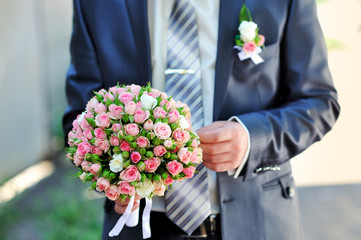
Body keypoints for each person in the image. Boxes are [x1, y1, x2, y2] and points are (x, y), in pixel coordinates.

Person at [63, 0, 340, 239]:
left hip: (256, 221)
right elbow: (79, 118)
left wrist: (250, 138)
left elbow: (318, 101)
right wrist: (113, 173)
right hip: (141, 227)